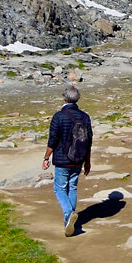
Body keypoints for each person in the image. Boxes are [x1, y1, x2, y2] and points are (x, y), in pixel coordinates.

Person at [42, 84, 92, 236]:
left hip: (62, 160)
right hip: (78, 159)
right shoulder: (85, 117)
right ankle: (69, 222)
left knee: (59, 189)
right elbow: (89, 140)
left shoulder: (58, 116)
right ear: (77, 99)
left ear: (64, 98)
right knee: (72, 188)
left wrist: (46, 157)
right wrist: (88, 161)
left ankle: (69, 214)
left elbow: (53, 140)